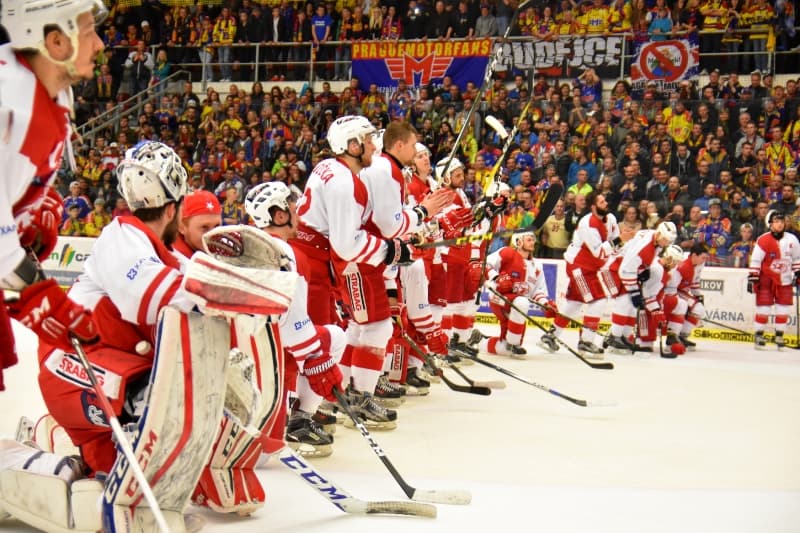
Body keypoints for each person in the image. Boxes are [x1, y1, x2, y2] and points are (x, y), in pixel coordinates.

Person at [0, 0, 105, 392]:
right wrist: (36, 294)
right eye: (89, 30)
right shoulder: (9, 106)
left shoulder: (51, 92)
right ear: (56, 40)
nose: (99, 44)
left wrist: (30, 207)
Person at [293, 116, 413, 430]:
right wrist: (391, 251)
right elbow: (347, 245)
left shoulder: (332, 171)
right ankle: (302, 415)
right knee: (318, 338)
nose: (374, 145)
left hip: (315, 259)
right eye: (368, 139)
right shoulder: (346, 181)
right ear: (351, 145)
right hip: (314, 264)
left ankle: (314, 405)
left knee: (323, 335)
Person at [245, 181, 345, 458]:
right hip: (271, 361)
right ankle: (300, 420)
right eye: (293, 210)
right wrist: (318, 362)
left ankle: (285, 414)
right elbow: (294, 325)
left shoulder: (243, 246)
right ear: (279, 216)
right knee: (335, 337)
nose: (298, 217)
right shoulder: (290, 254)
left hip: (241, 363)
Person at [555, 191, 621, 358]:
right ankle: (586, 342)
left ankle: (550, 335)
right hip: (579, 266)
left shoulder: (611, 219)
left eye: (605, 200)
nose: (605, 203)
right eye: (601, 201)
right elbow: (599, 252)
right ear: (593, 207)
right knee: (598, 300)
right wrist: (619, 242)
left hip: (589, 267)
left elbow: (617, 242)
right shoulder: (587, 225)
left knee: (574, 303)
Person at [475, 232, 560, 357]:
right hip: (499, 297)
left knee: (505, 349)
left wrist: (545, 304)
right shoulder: (507, 252)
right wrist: (497, 277)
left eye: (533, 240)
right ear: (518, 241)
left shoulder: (536, 266)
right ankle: (513, 344)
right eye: (529, 240)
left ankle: (481, 340)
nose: (533, 242)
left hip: (517, 304)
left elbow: (537, 291)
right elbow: (484, 263)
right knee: (522, 302)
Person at [601, 222, 678, 352]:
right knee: (625, 299)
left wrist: (644, 269)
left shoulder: (655, 239)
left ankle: (624, 336)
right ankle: (614, 336)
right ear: (659, 234)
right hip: (612, 269)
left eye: (669, 240)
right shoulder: (645, 247)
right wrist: (634, 291)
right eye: (665, 239)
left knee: (632, 303)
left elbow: (635, 249)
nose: (667, 243)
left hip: (623, 267)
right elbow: (625, 271)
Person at [748, 211, 800, 349]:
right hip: (766, 280)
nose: (780, 224)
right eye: (777, 221)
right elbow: (756, 260)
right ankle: (759, 335)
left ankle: (779, 336)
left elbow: (796, 259)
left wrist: (798, 273)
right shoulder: (763, 239)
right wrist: (753, 276)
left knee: (783, 310)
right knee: (764, 309)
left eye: (782, 222)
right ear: (770, 224)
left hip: (785, 280)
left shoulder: (792, 239)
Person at [173, 189, 222, 257]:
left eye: (217, 226)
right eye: (204, 227)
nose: (213, 234)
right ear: (182, 227)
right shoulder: (174, 261)